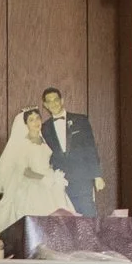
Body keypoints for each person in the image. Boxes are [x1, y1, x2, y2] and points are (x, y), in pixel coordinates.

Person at [0, 106, 77, 232]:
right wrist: (43, 178)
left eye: (37, 118)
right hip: (32, 183)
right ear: (26, 124)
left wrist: (54, 176)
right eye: (31, 120)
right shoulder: (23, 144)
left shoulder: (43, 140)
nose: (36, 122)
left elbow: (46, 161)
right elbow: (25, 170)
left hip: (49, 181)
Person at [39, 87, 103, 218]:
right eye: (49, 101)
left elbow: (90, 148)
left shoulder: (81, 120)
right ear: (45, 105)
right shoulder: (44, 128)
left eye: (56, 100)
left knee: (88, 215)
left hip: (82, 178)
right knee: (65, 218)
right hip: (60, 181)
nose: (53, 104)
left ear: (62, 100)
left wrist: (97, 176)